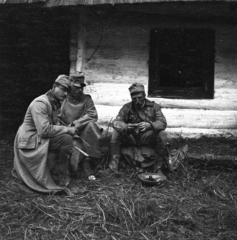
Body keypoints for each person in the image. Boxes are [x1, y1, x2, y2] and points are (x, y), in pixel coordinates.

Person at [12, 75, 76, 195]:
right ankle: (61, 179)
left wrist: (65, 129)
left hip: (39, 138)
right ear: (54, 87)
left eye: (68, 91)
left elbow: (53, 125)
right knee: (66, 139)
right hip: (29, 141)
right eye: (63, 89)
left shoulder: (54, 103)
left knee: (66, 139)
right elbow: (44, 130)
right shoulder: (40, 103)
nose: (66, 94)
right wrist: (67, 129)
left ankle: (58, 177)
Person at [103, 83, 168, 175]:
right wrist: (126, 126)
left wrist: (150, 125)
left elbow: (162, 123)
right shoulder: (126, 108)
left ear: (144, 96)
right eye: (134, 99)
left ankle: (158, 168)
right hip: (131, 137)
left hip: (147, 137)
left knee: (162, 134)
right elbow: (116, 122)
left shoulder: (154, 107)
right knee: (116, 133)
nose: (137, 101)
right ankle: (113, 167)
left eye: (139, 98)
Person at [58, 72, 101, 179]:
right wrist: (67, 128)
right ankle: (74, 167)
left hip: (82, 131)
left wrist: (75, 124)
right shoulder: (62, 99)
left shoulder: (86, 99)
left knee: (92, 126)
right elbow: (56, 118)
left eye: (82, 87)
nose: (80, 90)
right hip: (66, 131)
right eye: (77, 87)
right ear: (70, 87)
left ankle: (89, 162)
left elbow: (92, 115)